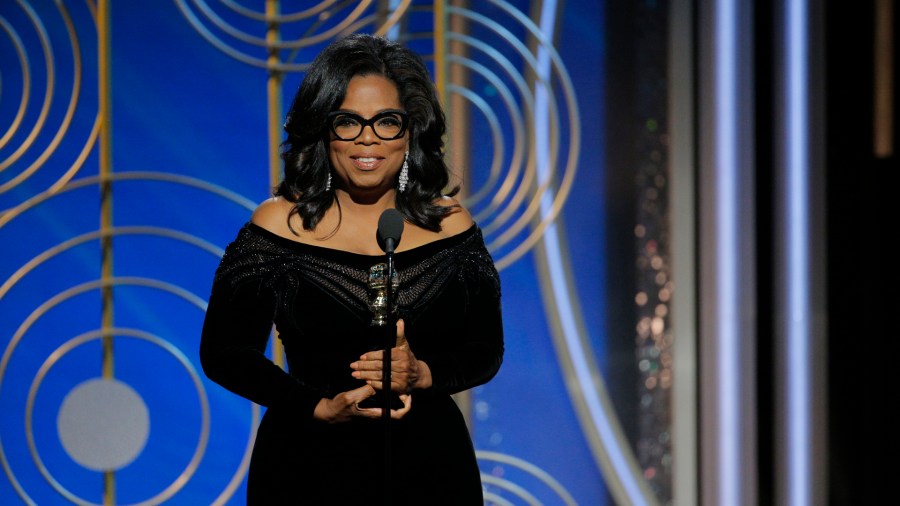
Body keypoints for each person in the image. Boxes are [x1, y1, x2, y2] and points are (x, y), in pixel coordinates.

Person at [199, 33, 504, 504]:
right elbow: (225, 351)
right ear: (324, 130)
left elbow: (486, 349)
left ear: (410, 132)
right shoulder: (280, 225)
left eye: (387, 122)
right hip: (306, 465)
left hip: (429, 469)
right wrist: (315, 407)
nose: (368, 138)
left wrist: (421, 373)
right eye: (348, 122)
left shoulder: (451, 226)